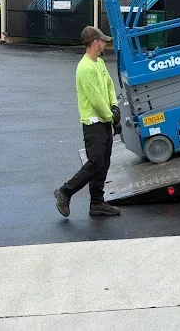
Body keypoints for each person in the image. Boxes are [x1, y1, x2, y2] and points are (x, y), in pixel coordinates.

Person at [54, 26, 122, 218]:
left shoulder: (99, 63)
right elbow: (95, 100)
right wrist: (111, 116)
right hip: (93, 124)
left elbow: (109, 86)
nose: (105, 44)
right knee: (95, 163)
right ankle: (65, 192)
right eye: (102, 41)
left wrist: (115, 108)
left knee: (103, 162)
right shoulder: (85, 68)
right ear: (95, 43)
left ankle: (97, 204)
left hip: (104, 121)